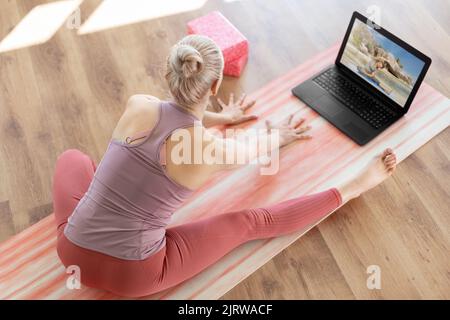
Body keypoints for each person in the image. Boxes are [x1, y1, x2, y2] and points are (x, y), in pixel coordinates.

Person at [53, 35, 397, 297]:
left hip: (70, 251)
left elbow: (173, 111)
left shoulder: (138, 105)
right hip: (136, 275)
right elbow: (254, 149)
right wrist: (277, 135)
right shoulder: (211, 150)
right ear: (215, 85)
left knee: (73, 158)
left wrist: (221, 118)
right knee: (249, 222)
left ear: (170, 74)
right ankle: (355, 187)